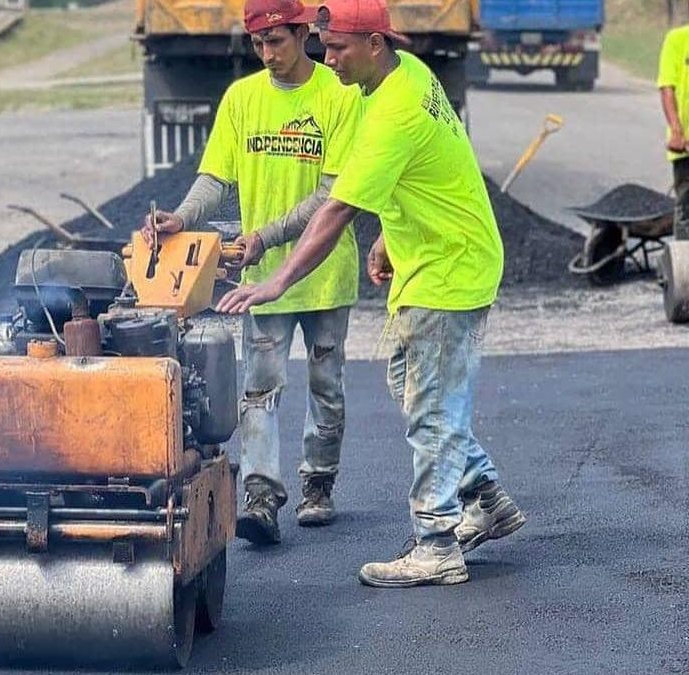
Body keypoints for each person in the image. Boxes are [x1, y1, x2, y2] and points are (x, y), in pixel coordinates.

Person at [217, 0, 525, 587]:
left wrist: (277, 281)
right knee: (408, 385)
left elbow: (335, 210)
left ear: (376, 44)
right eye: (324, 45)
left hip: (448, 269)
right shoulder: (401, 75)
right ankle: (484, 496)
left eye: (337, 49)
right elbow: (425, 170)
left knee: (431, 409)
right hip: (434, 255)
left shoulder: (394, 111)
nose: (324, 57)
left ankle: (436, 542)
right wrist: (387, 232)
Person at [141, 0, 362, 545]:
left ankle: (318, 483)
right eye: (259, 45)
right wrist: (180, 217)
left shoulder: (339, 95)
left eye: (277, 43)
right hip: (262, 279)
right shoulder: (242, 99)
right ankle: (261, 497)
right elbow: (214, 179)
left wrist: (264, 236)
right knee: (259, 390)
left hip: (325, 271)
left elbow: (333, 195)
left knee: (326, 386)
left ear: (302, 34)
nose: (267, 55)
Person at [659, 22, 689, 239]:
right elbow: (667, 88)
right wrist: (677, 131)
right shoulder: (677, 39)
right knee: (686, 207)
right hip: (685, 145)